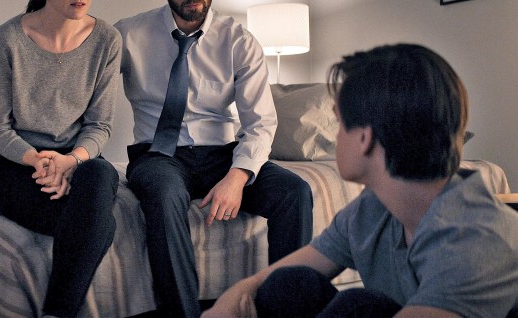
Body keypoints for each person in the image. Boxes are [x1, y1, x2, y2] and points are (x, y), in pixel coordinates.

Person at [203, 43, 518, 318]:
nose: (336, 137)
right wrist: (231, 299)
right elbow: (275, 276)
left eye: (339, 124)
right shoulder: (373, 208)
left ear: (364, 138)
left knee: (359, 307)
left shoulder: (476, 242)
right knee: (291, 285)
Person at [114, 0, 313, 318]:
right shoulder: (128, 35)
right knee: (163, 195)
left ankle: (286, 309)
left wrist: (237, 177)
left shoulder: (238, 40)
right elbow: (85, 86)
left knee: (296, 192)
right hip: (158, 155)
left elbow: (260, 122)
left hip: (222, 155)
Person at [0, 0, 122, 318]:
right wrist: (40, 161)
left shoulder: (107, 40)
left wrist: (69, 162)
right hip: (20, 163)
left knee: (101, 175)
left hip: (76, 160)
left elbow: (100, 126)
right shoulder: (8, 39)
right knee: (99, 225)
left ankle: (55, 312)